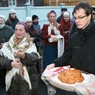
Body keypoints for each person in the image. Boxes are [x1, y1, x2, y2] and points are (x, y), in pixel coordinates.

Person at [46, 2, 95, 95]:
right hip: (74, 82)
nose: (77, 21)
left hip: (92, 84)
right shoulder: (74, 37)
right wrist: (54, 63)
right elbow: (66, 56)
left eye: (80, 17)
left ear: (90, 16)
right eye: (75, 17)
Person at [1, 22, 41, 95]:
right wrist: (11, 63)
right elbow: (1, 59)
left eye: (20, 30)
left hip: (27, 78)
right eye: (16, 30)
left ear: (25, 31)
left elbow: (35, 57)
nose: (18, 32)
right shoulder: (8, 45)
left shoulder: (30, 44)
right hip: (12, 79)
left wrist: (24, 56)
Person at [0, 14, 14, 90]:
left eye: (1, 19)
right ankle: (2, 83)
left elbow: (14, 39)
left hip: (8, 50)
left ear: (4, 20)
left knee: (8, 65)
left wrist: (5, 44)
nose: (0, 20)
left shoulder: (10, 29)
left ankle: (9, 81)